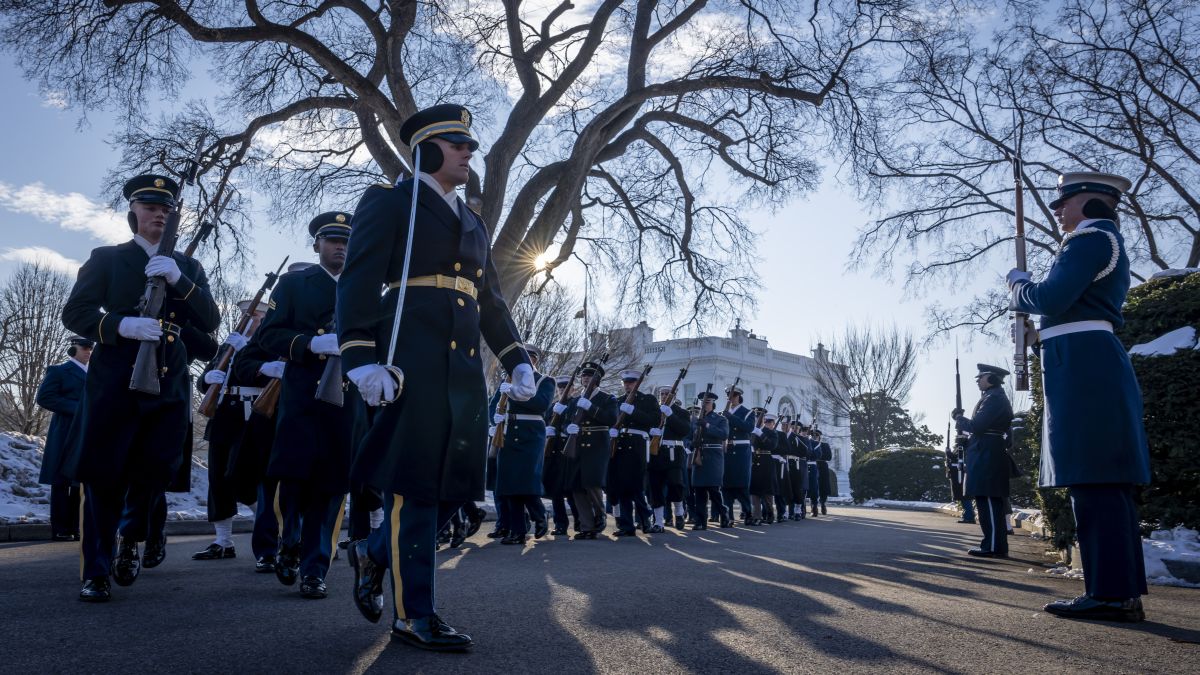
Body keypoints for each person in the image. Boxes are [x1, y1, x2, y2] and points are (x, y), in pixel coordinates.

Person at [337, 104, 538, 651]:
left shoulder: (474, 220)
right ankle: (413, 616)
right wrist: (359, 360)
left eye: (470, 143)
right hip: (412, 361)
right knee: (417, 490)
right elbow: (355, 282)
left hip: (465, 372)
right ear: (427, 148)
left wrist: (517, 356)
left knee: (458, 486)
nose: (469, 151)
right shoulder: (389, 201)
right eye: (456, 143)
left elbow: (491, 299)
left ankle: (375, 552)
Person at [62, 173, 220, 602]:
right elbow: (75, 313)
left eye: (166, 209)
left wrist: (178, 281)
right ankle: (95, 570)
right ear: (133, 212)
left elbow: (210, 320)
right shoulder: (107, 258)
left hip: (168, 378)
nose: (159, 213)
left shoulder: (188, 267)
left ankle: (132, 537)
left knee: (155, 469)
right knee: (102, 474)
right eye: (150, 207)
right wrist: (121, 325)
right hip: (115, 376)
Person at [1007, 170, 1151, 623]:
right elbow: (1070, 307)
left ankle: (1110, 593)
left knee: (1095, 478)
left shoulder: (1090, 240)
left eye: (1066, 201)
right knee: (1100, 480)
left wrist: (1017, 286)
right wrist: (1039, 337)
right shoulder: (1097, 241)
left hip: (1086, 365)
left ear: (1091, 201)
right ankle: (1117, 590)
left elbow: (1051, 295)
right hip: (1082, 357)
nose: (1059, 210)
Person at [256, 211, 363, 600]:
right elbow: (269, 334)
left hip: (346, 399)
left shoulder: (365, 288)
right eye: (332, 240)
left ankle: (315, 567)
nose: (340, 247)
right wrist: (310, 345)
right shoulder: (294, 284)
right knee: (294, 477)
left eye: (347, 241)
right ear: (316, 244)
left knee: (334, 486)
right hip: (302, 395)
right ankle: (289, 541)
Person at [191, 301, 267, 561]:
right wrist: (206, 379)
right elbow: (208, 376)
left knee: (242, 479)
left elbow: (269, 378)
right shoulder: (229, 344)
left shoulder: (267, 343)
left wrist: (246, 352)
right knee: (218, 481)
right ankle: (223, 541)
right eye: (246, 314)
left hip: (250, 414)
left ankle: (269, 530)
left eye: (254, 315)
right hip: (224, 415)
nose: (247, 319)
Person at [489, 345, 556, 545]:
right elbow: (494, 405)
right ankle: (517, 531)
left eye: (530, 358)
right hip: (507, 433)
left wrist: (514, 392)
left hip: (530, 433)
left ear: (535, 361)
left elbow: (541, 404)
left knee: (525, 480)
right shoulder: (508, 380)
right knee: (509, 485)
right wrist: (495, 419)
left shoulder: (545, 380)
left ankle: (539, 513)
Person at [952, 364, 1015, 558]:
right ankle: (993, 544)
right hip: (986, 450)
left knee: (988, 500)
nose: (978, 380)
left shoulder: (994, 398)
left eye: (981, 377)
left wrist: (959, 418)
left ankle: (994, 546)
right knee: (986, 500)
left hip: (987, 453)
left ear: (993, 378)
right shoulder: (990, 398)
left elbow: (978, 426)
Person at [36, 336, 92, 541]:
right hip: (65, 431)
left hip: (86, 432)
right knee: (61, 481)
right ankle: (60, 528)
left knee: (79, 481)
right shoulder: (59, 371)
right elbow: (44, 397)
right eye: (84, 347)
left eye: (90, 348)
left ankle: (76, 527)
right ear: (72, 349)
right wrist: (77, 408)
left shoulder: (95, 374)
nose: (88, 351)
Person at [563, 362, 618, 540]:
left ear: (597, 379)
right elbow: (565, 421)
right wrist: (568, 428)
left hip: (597, 446)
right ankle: (587, 526)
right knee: (577, 486)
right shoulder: (575, 400)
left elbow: (611, 419)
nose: (585, 378)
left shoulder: (607, 398)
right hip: (577, 445)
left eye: (590, 375)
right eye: (584, 375)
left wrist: (591, 408)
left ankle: (600, 515)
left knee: (592, 483)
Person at [608, 369, 659, 537]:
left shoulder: (648, 400)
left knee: (637, 486)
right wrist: (612, 431)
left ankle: (646, 520)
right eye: (625, 383)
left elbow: (654, 420)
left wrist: (633, 411)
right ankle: (627, 525)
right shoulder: (619, 401)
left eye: (631, 382)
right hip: (621, 444)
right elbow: (611, 420)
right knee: (623, 486)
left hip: (637, 445)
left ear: (638, 383)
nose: (627, 385)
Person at [647, 387, 691, 532]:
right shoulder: (654, 412)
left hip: (674, 453)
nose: (664, 396)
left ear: (674, 396)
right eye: (662, 394)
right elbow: (646, 425)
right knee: (656, 487)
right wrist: (650, 432)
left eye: (667, 394)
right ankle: (658, 522)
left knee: (676, 484)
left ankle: (678, 512)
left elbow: (684, 430)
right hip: (657, 452)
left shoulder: (682, 412)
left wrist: (670, 415)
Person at [544, 376, 580, 536]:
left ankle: (580, 522)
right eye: (559, 389)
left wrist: (562, 430)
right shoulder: (552, 406)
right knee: (556, 492)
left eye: (565, 389)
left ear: (572, 389)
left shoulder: (576, 404)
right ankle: (560, 524)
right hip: (554, 453)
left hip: (569, 452)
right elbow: (544, 423)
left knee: (571, 490)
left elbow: (576, 423)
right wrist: (548, 428)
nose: (561, 392)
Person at [690, 391, 730, 530]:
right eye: (703, 402)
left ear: (712, 403)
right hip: (699, 455)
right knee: (699, 491)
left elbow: (724, 434)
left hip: (713, 457)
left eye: (707, 402)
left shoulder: (720, 419)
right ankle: (700, 521)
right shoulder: (695, 420)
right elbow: (689, 437)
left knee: (714, 490)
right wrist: (691, 444)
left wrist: (707, 425)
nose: (704, 405)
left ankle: (724, 515)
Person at [721, 386, 754, 525]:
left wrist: (731, 418)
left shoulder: (748, 412)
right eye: (729, 395)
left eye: (734, 395)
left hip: (741, 451)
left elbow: (749, 427)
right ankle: (728, 517)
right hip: (727, 450)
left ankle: (747, 514)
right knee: (726, 486)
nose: (731, 398)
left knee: (742, 485)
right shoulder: (723, 413)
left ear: (739, 396)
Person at [748, 409, 777, 526]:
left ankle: (770, 514)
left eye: (769, 421)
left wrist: (761, 434)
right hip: (754, 461)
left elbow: (772, 445)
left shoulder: (771, 433)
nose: (767, 423)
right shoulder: (753, 430)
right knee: (754, 492)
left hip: (766, 462)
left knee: (767, 492)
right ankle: (756, 516)